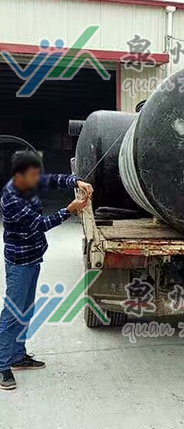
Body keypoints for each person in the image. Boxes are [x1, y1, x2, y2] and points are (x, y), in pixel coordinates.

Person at [0, 151, 93, 391]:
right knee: (12, 313)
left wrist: (77, 182)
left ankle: (17, 356)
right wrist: (69, 210)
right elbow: (39, 225)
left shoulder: (29, 183)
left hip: (32, 258)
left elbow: (53, 180)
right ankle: (2, 365)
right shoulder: (11, 198)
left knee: (25, 310)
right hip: (19, 263)